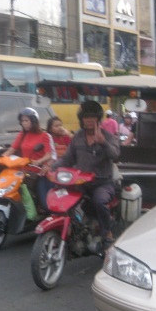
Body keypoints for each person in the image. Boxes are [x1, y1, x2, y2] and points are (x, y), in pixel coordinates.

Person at [52, 100, 120, 245]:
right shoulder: (77, 137)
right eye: (86, 117)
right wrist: (51, 168)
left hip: (102, 183)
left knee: (99, 201)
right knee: (62, 198)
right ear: (81, 119)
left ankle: (107, 232)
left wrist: (103, 143)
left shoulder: (108, 137)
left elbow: (115, 156)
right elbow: (67, 159)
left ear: (98, 118)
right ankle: (71, 228)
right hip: (81, 182)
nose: (89, 120)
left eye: (92, 117)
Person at [0, 107, 55, 211]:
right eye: (22, 121)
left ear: (34, 121)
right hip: (25, 172)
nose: (24, 123)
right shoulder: (22, 135)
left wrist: (39, 161)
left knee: (45, 203)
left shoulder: (44, 135)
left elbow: (49, 154)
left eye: (26, 120)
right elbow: (12, 150)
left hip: (39, 173)